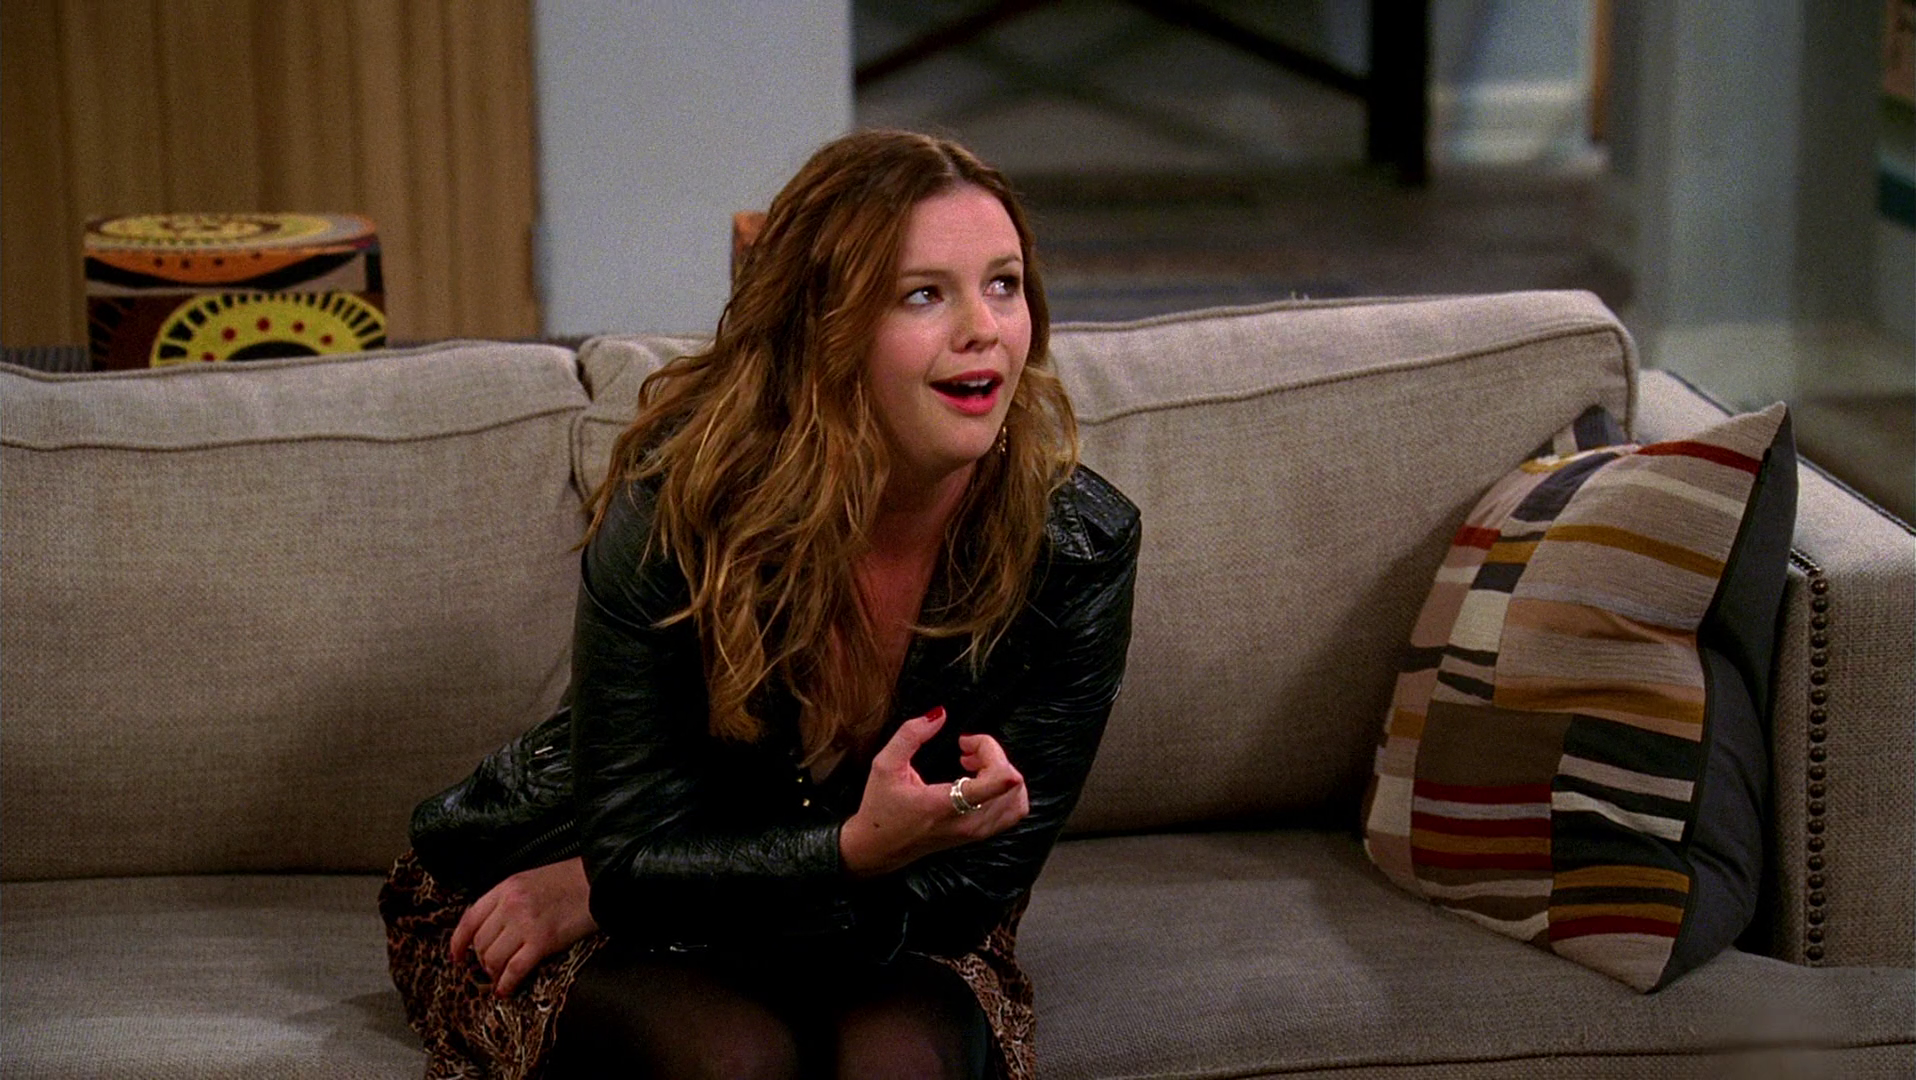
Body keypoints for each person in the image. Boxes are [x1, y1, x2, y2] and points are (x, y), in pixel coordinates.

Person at [380, 129, 1140, 1080]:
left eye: (1004, 284)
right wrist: (843, 852)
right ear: (824, 327)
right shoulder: (682, 511)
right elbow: (634, 864)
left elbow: (974, 891)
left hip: (890, 918)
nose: (983, 328)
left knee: (893, 1064)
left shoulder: (1079, 548)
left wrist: (849, 859)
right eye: (923, 294)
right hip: (593, 886)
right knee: (734, 1059)